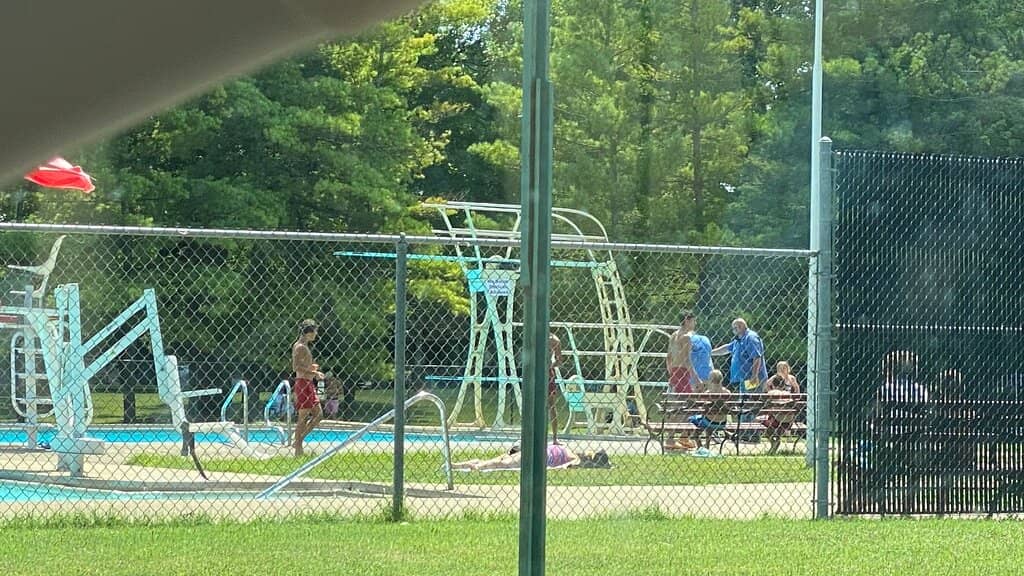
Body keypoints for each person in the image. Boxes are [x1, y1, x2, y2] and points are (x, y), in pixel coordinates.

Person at [452, 442, 609, 472]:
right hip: (536, 451)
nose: (588, 450)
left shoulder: (574, 456)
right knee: (502, 462)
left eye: (591, 452)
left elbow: (571, 465)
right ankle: (476, 465)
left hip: (538, 454)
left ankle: (472, 464)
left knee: (502, 461)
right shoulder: (569, 450)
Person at [291, 319, 324, 456]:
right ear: (309, 333)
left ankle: (299, 440)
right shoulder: (300, 347)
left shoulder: (304, 346)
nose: (316, 334)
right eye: (315, 331)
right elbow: (296, 367)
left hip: (308, 383)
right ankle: (298, 448)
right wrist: (314, 372)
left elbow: (302, 366)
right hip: (303, 384)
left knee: (319, 415)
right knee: (303, 417)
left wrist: (311, 369)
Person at [712, 318, 768, 394]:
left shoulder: (750, 337)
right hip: (744, 379)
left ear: (741, 326)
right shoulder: (738, 340)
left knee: (752, 401)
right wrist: (711, 353)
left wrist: (754, 375)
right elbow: (726, 348)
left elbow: (757, 357)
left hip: (753, 378)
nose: (733, 331)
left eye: (734, 328)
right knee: (745, 401)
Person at [548, 332, 562, 444]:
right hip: (535, 372)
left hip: (548, 374)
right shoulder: (533, 335)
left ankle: (554, 437)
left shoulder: (554, 340)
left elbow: (559, 360)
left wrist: (550, 365)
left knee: (551, 405)